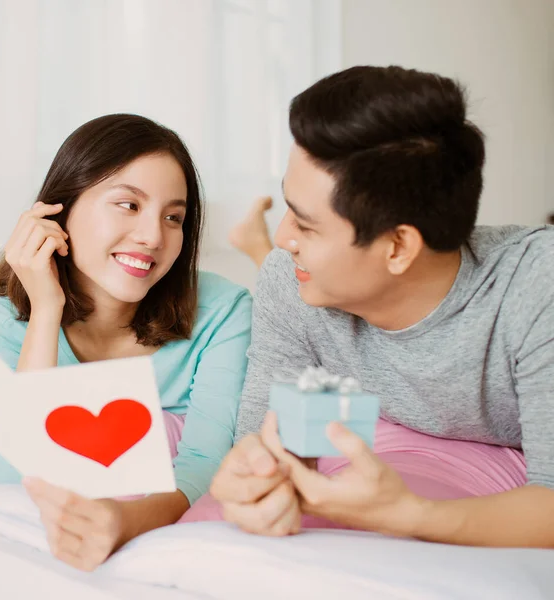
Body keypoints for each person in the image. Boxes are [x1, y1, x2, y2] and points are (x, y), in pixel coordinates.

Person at [208, 65, 554, 548]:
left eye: (306, 226)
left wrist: (410, 516)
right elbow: (265, 436)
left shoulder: (537, 288)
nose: (283, 238)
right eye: (288, 209)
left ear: (398, 248)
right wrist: (255, 481)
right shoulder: (289, 283)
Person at [0, 114, 252, 570]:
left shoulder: (224, 311)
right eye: (128, 205)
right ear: (60, 208)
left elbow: (205, 464)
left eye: (174, 217)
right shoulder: (2, 320)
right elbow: (2, 478)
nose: (153, 237)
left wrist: (125, 521)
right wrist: (45, 312)